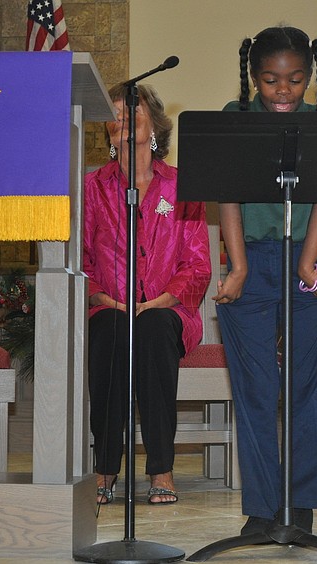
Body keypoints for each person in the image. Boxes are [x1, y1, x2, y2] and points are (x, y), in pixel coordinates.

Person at [212, 25, 317, 535]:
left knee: (308, 388)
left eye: (294, 80)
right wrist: (238, 268)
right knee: (257, 391)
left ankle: (301, 504)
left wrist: (309, 264)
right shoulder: (234, 119)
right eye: (270, 81)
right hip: (253, 259)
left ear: (309, 77)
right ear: (253, 77)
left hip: (308, 256)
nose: (282, 91)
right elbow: (227, 198)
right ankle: (263, 508)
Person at [83, 83, 212, 509]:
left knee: (154, 329)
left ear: (154, 123)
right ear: (105, 130)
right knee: (113, 328)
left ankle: (161, 468)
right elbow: (79, 260)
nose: (123, 118)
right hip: (108, 307)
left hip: (167, 310)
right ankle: (104, 467)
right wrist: (103, 298)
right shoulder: (91, 188)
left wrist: (163, 300)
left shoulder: (181, 187)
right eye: (114, 113)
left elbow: (197, 266)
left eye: (132, 110)